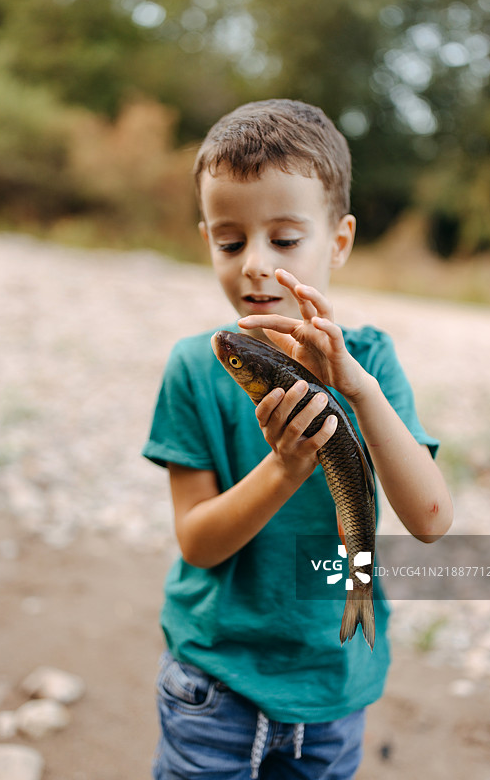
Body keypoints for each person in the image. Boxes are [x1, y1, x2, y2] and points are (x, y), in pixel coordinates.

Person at [142, 99, 453, 780]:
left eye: (284, 240)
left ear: (337, 242)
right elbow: (197, 540)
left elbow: (431, 523)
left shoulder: (372, 362)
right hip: (213, 684)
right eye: (230, 241)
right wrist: (283, 469)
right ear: (207, 240)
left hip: (331, 692)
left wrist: (360, 390)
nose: (254, 264)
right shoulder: (195, 368)